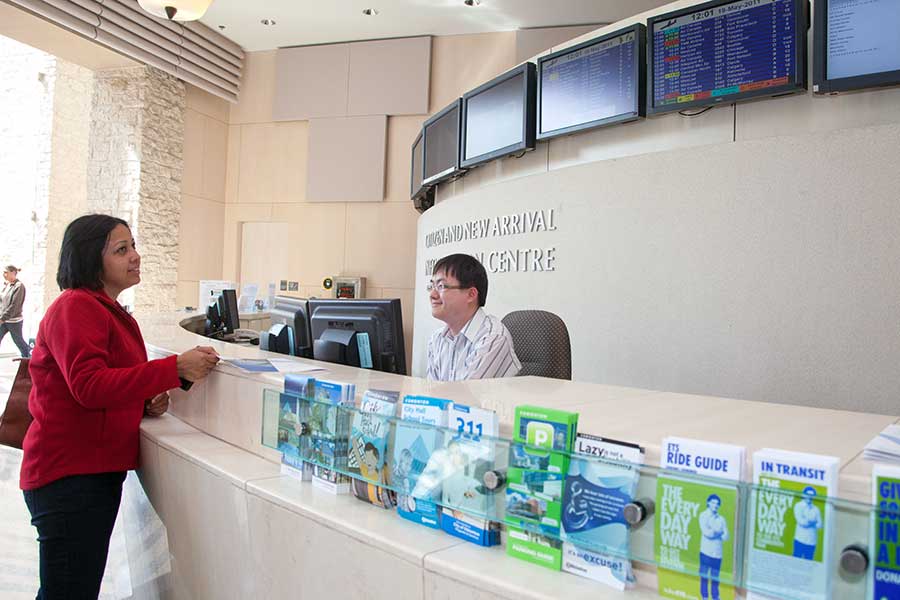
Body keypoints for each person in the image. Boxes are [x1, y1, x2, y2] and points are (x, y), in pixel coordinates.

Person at [20, 214, 220, 599]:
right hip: (68, 477)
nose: (135, 256)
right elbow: (88, 386)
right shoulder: (76, 307)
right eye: (121, 249)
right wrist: (172, 368)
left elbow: (99, 385)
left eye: (133, 246)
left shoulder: (103, 308)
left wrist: (143, 402)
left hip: (86, 475)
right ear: (91, 260)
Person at [426, 253, 520, 381]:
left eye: (441, 286)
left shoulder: (493, 337)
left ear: (471, 294)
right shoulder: (436, 339)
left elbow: (468, 396)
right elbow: (432, 393)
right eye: (432, 286)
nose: (432, 294)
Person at [698, 493, 728, 600]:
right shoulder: (703, 515)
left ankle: (715, 596)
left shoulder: (721, 519)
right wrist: (718, 532)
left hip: (717, 553)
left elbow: (726, 536)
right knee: (704, 575)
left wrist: (716, 532)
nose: (715, 505)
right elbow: (707, 533)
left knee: (715, 577)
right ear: (708, 503)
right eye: (713, 503)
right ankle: (704, 596)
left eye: (718, 504)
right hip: (706, 552)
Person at [0, 264, 32, 357]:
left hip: (14, 321)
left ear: (13, 273)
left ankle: (28, 358)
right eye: (3, 272)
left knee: (19, 342)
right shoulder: (6, 285)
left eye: (6, 272)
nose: (4, 274)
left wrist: (2, 318)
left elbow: (14, 306)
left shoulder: (19, 286)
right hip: (4, 320)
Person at [792, 486, 822, 560]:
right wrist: (814, 522)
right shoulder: (798, 506)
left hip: (811, 542)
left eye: (812, 495)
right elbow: (802, 523)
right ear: (803, 495)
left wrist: (808, 522)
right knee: (795, 562)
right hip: (799, 540)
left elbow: (820, 525)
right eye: (808, 494)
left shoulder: (816, 509)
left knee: (808, 564)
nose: (809, 497)